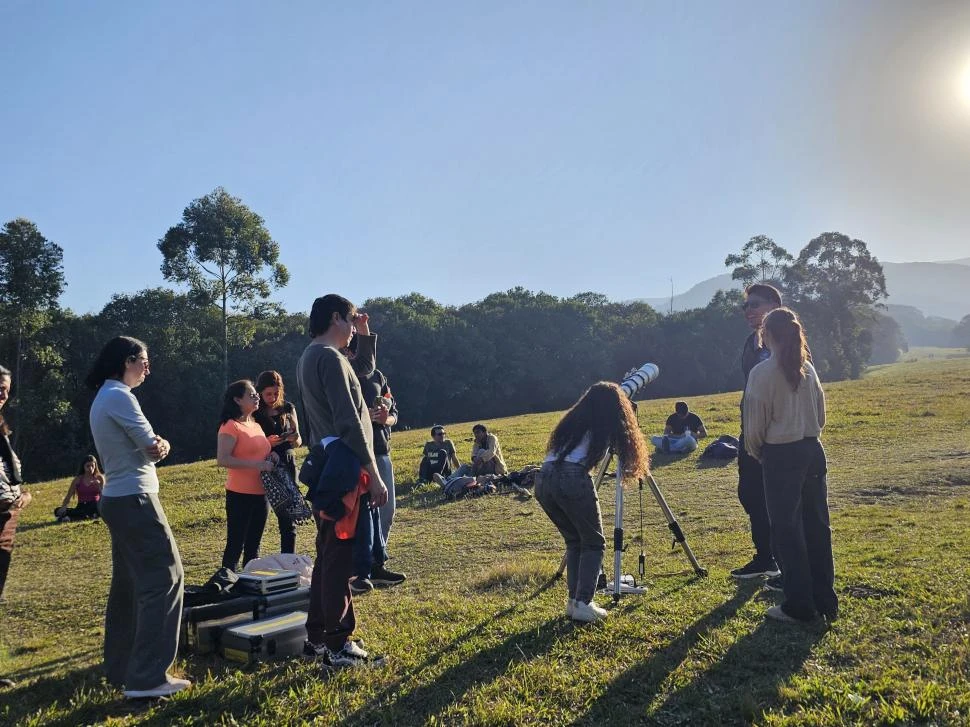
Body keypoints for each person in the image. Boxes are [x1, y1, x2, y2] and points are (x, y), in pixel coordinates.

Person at [87, 336, 189, 699]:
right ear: (126, 361)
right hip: (135, 498)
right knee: (166, 578)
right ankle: (147, 678)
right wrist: (163, 446)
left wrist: (157, 446)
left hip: (118, 498)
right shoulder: (119, 396)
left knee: (129, 585)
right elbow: (152, 447)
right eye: (143, 361)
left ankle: (120, 668)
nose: (148, 368)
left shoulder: (104, 396)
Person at [295, 294, 388, 669]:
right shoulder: (330, 358)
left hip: (328, 467)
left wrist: (365, 334)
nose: (352, 329)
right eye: (350, 321)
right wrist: (375, 474)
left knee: (328, 555)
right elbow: (349, 420)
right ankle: (337, 645)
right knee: (339, 560)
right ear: (336, 318)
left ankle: (317, 638)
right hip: (344, 470)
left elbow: (362, 369)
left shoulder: (311, 356)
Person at [743, 307, 837, 623]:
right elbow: (821, 415)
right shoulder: (807, 368)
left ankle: (798, 605)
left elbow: (753, 428)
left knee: (787, 532)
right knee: (817, 528)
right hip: (813, 450)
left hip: (781, 456)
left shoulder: (762, 374)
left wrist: (759, 454)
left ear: (767, 336)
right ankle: (825, 600)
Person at [535, 382, 649, 623]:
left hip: (544, 478)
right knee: (594, 543)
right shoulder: (607, 421)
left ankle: (574, 601)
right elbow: (625, 449)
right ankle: (584, 601)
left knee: (575, 541)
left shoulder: (573, 421)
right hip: (572, 477)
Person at [731, 283, 784, 580]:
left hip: (777, 436)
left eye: (755, 305)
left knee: (780, 500)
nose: (748, 311)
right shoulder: (751, 342)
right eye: (745, 306)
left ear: (774, 306)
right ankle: (765, 557)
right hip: (750, 432)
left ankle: (785, 563)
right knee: (750, 495)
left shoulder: (788, 341)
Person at [350, 366, 406, 593]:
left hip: (381, 451)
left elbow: (394, 412)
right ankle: (359, 567)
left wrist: (387, 419)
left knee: (386, 510)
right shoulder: (342, 369)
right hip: (357, 453)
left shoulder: (377, 375)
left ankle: (376, 563)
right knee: (360, 514)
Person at [217, 379, 275, 572]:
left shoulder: (255, 424)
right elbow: (223, 459)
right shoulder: (230, 426)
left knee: (254, 546)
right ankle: (227, 584)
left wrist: (271, 452)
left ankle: (251, 585)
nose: (257, 397)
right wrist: (258, 464)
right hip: (240, 495)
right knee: (236, 544)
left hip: (262, 494)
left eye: (256, 394)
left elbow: (257, 450)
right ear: (237, 400)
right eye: (251, 395)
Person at [254, 370, 302, 554]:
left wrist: (293, 438)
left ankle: (289, 560)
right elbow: (249, 442)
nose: (272, 398)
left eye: (276, 393)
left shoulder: (288, 408)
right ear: (260, 392)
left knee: (288, 519)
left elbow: (298, 441)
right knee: (259, 517)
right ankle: (253, 560)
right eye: (268, 394)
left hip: (287, 462)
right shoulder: (256, 413)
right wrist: (267, 443)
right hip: (264, 465)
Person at [0, 364, 32, 606]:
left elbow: (8, 471)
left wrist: (22, 494)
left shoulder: (2, 429)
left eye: (7, 390)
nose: (3, 395)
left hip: (8, 512)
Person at [433, 423, 507, 486]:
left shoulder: (492, 438)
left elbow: (492, 452)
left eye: (478, 432)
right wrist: (475, 460)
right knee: (464, 467)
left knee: (481, 451)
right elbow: (473, 454)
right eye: (475, 433)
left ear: (484, 432)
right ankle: (447, 481)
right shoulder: (477, 442)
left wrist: (480, 459)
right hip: (481, 468)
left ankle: (465, 479)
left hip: (495, 469)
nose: (476, 435)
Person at [54, 455, 105, 521]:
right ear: (83, 466)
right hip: (81, 506)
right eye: (88, 466)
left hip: (95, 505)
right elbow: (68, 496)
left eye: (92, 466)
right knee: (57, 511)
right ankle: (85, 516)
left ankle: (71, 518)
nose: (90, 468)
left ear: (95, 466)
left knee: (92, 510)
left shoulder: (99, 478)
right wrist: (64, 506)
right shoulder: (77, 480)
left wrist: (99, 486)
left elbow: (104, 496)